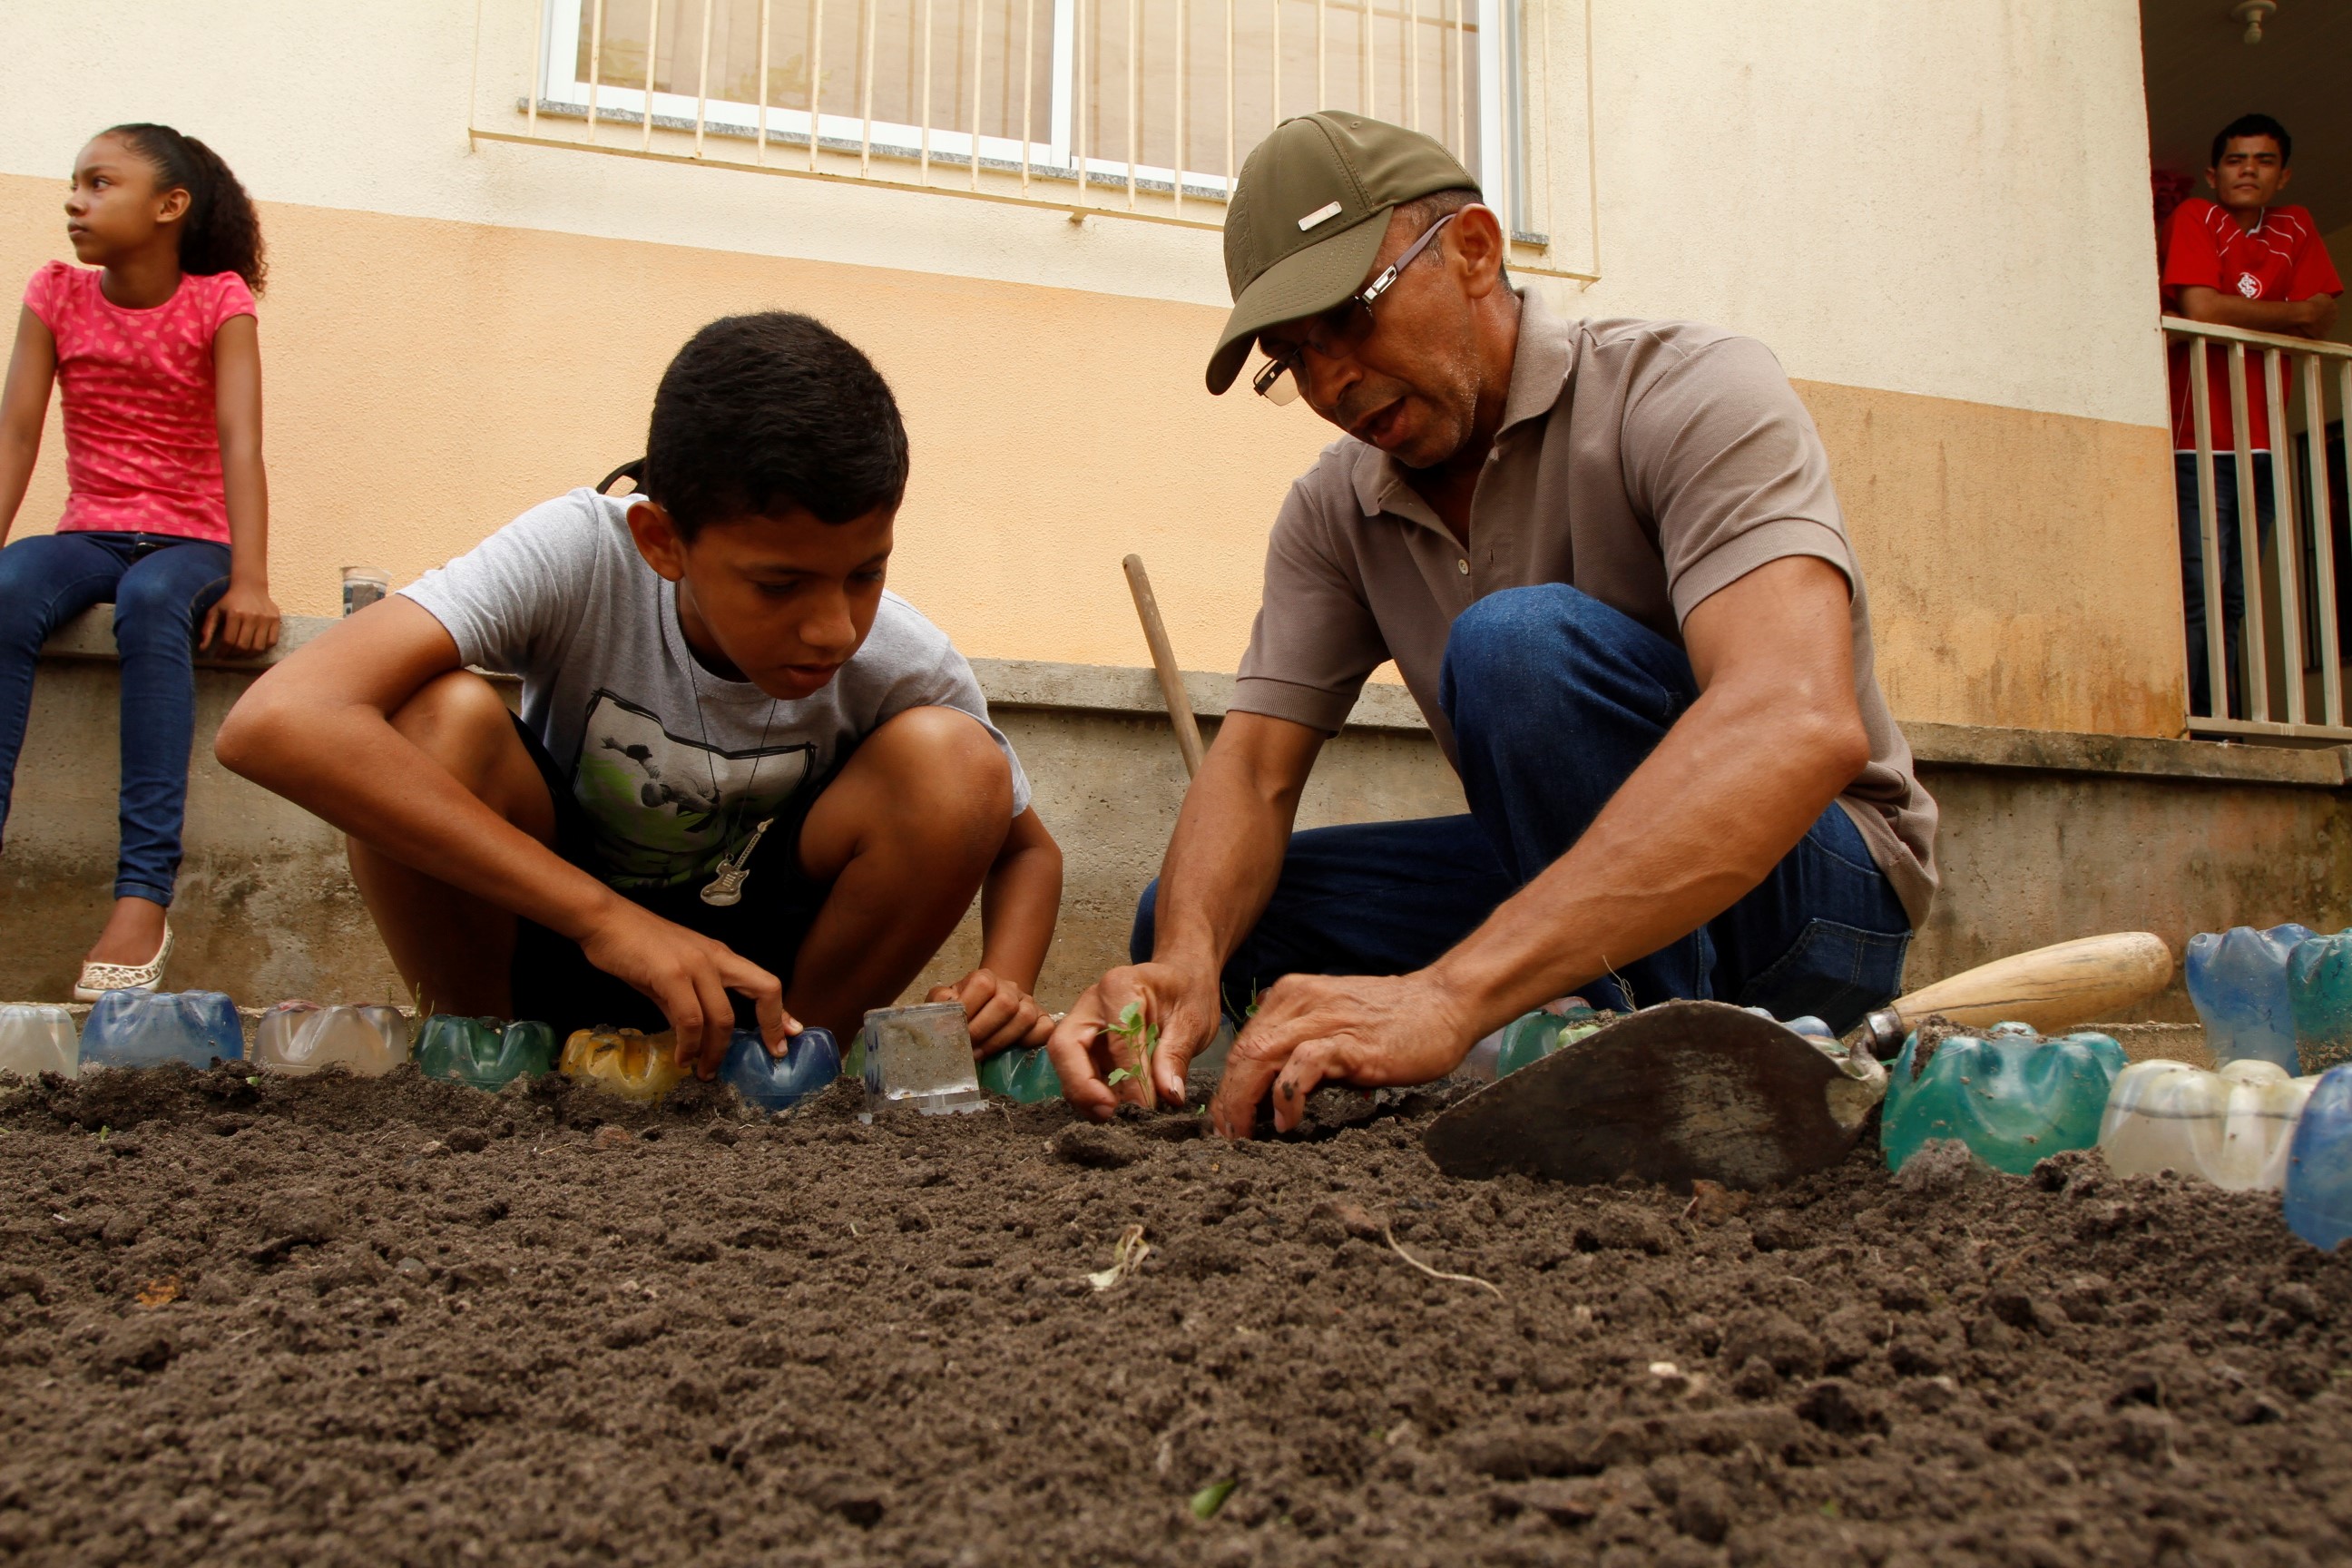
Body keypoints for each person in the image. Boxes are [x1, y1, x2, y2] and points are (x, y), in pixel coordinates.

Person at [1046, 113, 1937, 1137]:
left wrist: (1448, 995)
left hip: (1816, 893)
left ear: (1474, 249)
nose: (1330, 382)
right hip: (1571, 877)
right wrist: (1183, 961)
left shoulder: (1687, 390)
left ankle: (1659, 1082)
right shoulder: (1337, 509)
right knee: (1205, 921)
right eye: (1291, 358)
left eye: (1349, 318)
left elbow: (1794, 719)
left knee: (1515, 650)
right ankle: (1563, 1025)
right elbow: (1252, 769)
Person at [216, 312, 1063, 1074]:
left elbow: (1027, 851)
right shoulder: (579, 556)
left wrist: (1005, 979)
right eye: (778, 586)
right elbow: (277, 720)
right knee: (434, 716)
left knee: (957, 761)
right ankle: (483, 1063)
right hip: (553, 944)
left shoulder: (899, 655)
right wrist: (605, 920)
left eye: (866, 574)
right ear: (661, 541)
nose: (834, 629)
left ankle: (790, 1078)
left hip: (756, 993)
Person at [0, 124, 280, 1000]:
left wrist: (251, 578)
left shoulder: (217, 301)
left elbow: (241, 443)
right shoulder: (55, 294)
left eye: (99, 183)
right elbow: (15, 436)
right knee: (9, 585)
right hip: (90, 532)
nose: (74, 201)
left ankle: (142, 896)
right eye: (74, 183)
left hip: (192, 543)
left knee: (154, 599)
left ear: (169, 206)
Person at [2161, 113, 2342, 720]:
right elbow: (2201, 306)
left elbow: (2322, 318)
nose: (2249, 170)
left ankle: (2225, 721)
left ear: (2283, 175)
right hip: (2198, 440)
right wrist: (2290, 312)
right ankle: (2201, 726)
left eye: (2264, 160)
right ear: (2214, 173)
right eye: (2236, 159)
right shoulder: (2197, 215)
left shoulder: (2296, 226)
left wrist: (2267, 312)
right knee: (2201, 590)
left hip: (2261, 443)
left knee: (2235, 595)